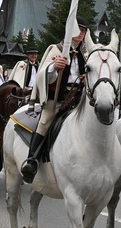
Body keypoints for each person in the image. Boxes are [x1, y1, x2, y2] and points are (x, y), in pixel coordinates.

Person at [20, 17, 89, 183]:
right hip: (58, 99)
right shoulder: (56, 50)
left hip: (79, 98)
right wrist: (53, 68)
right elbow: (42, 75)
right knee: (45, 121)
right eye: (77, 29)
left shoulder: (86, 53)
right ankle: (31, 161)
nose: (80, 33)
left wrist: (87, 77)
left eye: (83, 30)